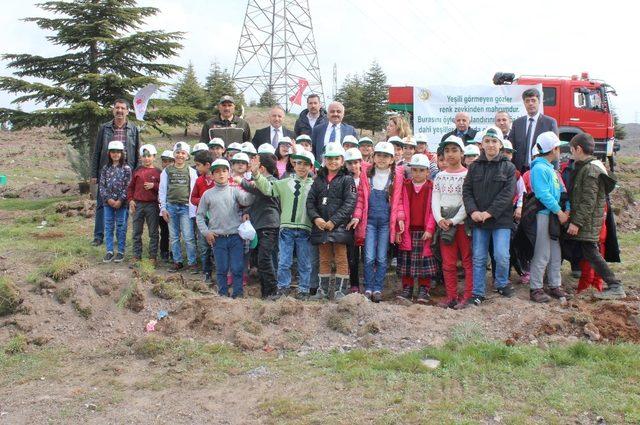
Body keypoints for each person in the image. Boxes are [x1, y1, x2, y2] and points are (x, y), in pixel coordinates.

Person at [463, 127, 517, 306]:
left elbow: (507, 194)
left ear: (500, 144)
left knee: (501, 255)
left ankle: (501, 283)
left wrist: (490, 212)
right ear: (481, 144)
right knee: (478, 257)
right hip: (479, 221)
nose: (491, 144)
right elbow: (467, 191)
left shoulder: (509, 167)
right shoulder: (474, 167)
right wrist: (473, 211)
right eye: (487, 141)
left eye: (494, 141)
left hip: (501, 220)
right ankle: (478, 292)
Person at [567, 133, 625, 299]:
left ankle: (615, 285)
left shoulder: (591, 169)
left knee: (592, 253)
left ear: (578, 149)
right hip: (589, 222)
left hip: (588, 222)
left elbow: (589, 201)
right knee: (590, 253)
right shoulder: (590, 166)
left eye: (572, 150)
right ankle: (612, 284)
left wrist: (576, 223)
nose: (571, 154)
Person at [252, 146, 315, 299]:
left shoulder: (314, 185)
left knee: (304, 262)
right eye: (299, 163)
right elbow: (268, 189)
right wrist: (256, 174)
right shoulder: (285, 182)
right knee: (284, 261)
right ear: (294, 164)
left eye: (305, 164)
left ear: (310, 166)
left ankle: (304, 289)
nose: (301, 167)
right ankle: (283, 287)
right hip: (286, 227)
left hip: (306, 228)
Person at [350, 141, 405, 303]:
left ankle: (378, 288)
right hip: (369, 223)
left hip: (386, 224)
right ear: (373, 157)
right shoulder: (366, 175)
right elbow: (360, 199)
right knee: (368, 257)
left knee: (381, 257)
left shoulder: (396, 178)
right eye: (379, 155)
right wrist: (357, 216)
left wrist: (400, 218)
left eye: (386, 156)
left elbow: (399, 201)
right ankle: (368, 288)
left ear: (392, 159)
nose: (382, 159)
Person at [196, 159, 254, 298]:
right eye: (217, 172)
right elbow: (200, 215)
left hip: (235, 237)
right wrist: (206, 232)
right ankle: (222, 295)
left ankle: (238, 294)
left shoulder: (234, 191)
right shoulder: (207, 194)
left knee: (237, 267)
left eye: (224, 171)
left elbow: (247, 200)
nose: (221, 174)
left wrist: (252, 188)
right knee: (221, 269)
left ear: (229, 173)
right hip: (218, 238)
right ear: (212, 175)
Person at [307, 143, 357, 300]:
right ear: (324, 160)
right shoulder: (318, 180)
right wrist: (316, 218)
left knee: (341, 258)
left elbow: (350, 203)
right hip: (321, 227)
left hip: (339, 227)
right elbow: (310, 202)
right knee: (324, 258)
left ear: (342, 161)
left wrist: (334, 221)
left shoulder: (348, 180)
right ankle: (323, 290)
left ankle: (340, 292)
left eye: (336, 158)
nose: (332, 161)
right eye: (329, 158)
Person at [527, 132, 570, 303]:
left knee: (555, 251)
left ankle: (554, 284)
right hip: (545, 214)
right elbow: (543, 194)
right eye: (559, 148)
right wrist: (559, 212)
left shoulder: (550, 169)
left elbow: (562, 191)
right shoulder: (538, 168)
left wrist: (565, 209)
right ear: (554, 149)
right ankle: (535, 287)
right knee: (542, 252)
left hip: (553, 215)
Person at [91, 99, 140, 247]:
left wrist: (137, 174)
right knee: (102, 204)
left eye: (122, 108)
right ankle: (99, 236)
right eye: (117, 107)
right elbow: (97, 152)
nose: (119, 110)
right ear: (113, 110)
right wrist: (94, 173)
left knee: (123, 204)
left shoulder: (133, 129)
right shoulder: (104, 128)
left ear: (127, 111)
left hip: (127, 172)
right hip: (106, 171)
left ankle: (120, 236)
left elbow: (137, 153)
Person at [432, 136, 472, 309]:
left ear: (462, 153)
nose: (450, 154)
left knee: (467, 260)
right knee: (448, 263)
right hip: (445, 226)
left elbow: (467, 201)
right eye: (447, 151)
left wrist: (454, 220)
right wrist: (439, 219)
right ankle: (451, 296)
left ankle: (468, 295)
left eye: (454, 150)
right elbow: (435, 198)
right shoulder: (440, 176)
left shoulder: (468, 175)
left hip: (462, 225)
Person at [396, 154, 438, 304]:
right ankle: (407, 287)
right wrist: (399, 222)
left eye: (421, 170)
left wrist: (430, 229)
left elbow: (434, 210)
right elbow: (399, 204)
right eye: (414, 170)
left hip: (425, 230)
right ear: (410, 170)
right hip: (408, 230)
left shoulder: (432, 187)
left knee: (423, 261)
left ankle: (424, 289)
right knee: (407, 261)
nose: (418, 173)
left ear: (428, 171)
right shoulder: (405, 186)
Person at [241, 153, 281, 298]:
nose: (250, 169)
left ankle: (272, 290)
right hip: (258, 224)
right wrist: (246, 211)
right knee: (260, 259)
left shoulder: (273, 182)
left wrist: (241, 181)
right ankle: (266, 292)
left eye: (254, 166)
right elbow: (252, 199)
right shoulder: (257, 182)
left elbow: (262, 191)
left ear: (261, 168)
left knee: (265, 258)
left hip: (269, 224)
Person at [159, 142, 199, 273]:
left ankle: (192, 262)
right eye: (177, 152)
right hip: (171, 207)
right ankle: (177, 261)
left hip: (185, 208)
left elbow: (193, 191)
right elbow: (162, 190)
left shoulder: (191, 171)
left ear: (187, 156)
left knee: (188, 236)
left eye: (183, 153)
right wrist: (163, 208)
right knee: (174, 236)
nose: (180, 155)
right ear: (174, 154)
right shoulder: (167, 171)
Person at [509, 88, 558, 172]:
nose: (530, 104)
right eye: (527, 101)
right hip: (520, 170)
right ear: (524, 103)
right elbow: (512, 148)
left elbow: (555, 148)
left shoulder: (550, 123)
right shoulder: (517, 123)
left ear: (539, 102)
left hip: (541, 170)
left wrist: (555, 170)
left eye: (533, 100)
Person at [127, 144, 161, 266]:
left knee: (153, 232)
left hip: (152, 205)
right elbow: (130, 187)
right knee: (136, 232)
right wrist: (130, 200)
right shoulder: (137, 171)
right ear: (141, 157)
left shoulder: (158, 172)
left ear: (154, 157)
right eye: (144, 156)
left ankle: (153, 257)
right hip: (138, 204)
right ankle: (136, 255)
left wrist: (154, 186)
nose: (147, 158)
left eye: (149, 156)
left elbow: (163, 189)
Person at [99, 140, 132, 263]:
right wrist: (109, 199)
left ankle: (121, 251)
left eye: (118, 152)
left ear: (122, 153)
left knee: (121, 226)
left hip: (121, 204)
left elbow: (128, 186)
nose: (115, 154)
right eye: (113, 152)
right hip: (108, 203)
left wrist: (120, 200)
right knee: (108, 226)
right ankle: (109, 251)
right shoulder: (105, 168)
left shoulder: (126, 168)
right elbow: (102, 186)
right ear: (109, 153)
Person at [344, 148, 368, 293]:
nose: (353, 166)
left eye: (356, 162)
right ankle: (354, 284)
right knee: (351, 255)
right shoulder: (345, 179)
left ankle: (367, 283)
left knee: (367, 255)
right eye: (350, 163)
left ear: (361, 162)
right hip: (349, 221)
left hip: (365, 220)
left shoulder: (368, 177)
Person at [190, 150, 216, 283]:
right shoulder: (199, 181)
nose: (196, 168)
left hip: (217, 219)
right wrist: (203, 201)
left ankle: (219, 273)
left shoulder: (219, 180)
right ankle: (207, 273)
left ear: (207, 165)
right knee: (204, 247)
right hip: (203, 219)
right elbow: (192, 198)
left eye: (198, 165)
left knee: (217, 247)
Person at [158, 150, 174, 263]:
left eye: (169, 161)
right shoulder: (160, 173)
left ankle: (174, 252)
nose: (167, 163)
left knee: (174, 231)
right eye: (164, 161)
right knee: (164, 230)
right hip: (161, 205)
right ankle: (164, 251)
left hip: (173, 204)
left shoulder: (176, 173)